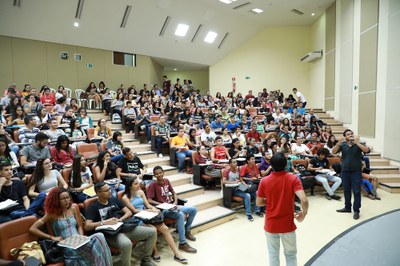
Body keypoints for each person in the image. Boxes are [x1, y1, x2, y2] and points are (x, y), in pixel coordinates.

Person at [29, 187, 112, 266]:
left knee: (99, 237)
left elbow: (79, 226)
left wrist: (81, 236)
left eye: (68, 197)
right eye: (63, 199)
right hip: (65, 245)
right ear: (56, 200)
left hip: (79, 241)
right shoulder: (51, 214)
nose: (67, 200)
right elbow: (33, 229)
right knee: (95, 250)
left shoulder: (73, 208)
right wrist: (51, 237)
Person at [85, 182, 157, 266]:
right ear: (98, 193)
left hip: (123, 227)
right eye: (106, 190)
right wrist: (104, 222)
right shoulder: (93, 207)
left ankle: (146, 260)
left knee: (152, 232)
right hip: (111, 234)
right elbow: (87, 226)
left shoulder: (114, 199)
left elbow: (128, 212)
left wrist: (120, 220)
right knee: (127, 244)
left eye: (109, 189)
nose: (110, 191)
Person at [256, 152, 309, 266]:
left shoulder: (264, 181)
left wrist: (270, 200)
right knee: (290, 255)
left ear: (271, 165)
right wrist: (303, 213)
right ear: (286, 165)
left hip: (271, 225)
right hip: (287, 225)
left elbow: (259, 202)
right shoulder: (293, 179)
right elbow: (304, 200)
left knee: (273, 255)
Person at [122, 178, 188, 264]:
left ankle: (177, 253)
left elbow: (147, 204)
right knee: (153, 229)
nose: (138, 185)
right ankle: (155, 252)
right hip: (137, 218)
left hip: (147, 215)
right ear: (130, 186)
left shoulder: (141, 192)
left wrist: (153, 208)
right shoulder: (125, 197)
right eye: (135, 184)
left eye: (138, 183)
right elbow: (133, 211)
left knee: (165, 229)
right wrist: (146, 211)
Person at [147, 166, 197, 254]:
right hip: (163, 210)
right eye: (157, 174)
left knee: (193, 210)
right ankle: (182, 243)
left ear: (163, 172)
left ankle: (187, 230)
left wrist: (175, 202)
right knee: (180, 214)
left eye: (160, 172)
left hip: (172, 206)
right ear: (154, 176)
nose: (159, 175)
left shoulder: (166, 181)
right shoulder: (153, 185)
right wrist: (162, 205)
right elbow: (149, 200)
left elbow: (173, 192)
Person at [333, 129, 370, 220]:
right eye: (348, 134)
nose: (350, 135)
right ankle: (347, 207)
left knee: (357, 191)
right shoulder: (343, 145)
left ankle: (356, 210)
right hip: (345, 171)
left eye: (351, 134)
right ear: (345, 137)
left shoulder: (358, 144)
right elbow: (333, 152)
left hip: (356, 172)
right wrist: (339, 142)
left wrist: (357, 143)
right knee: (346, 190)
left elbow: (367, 150)